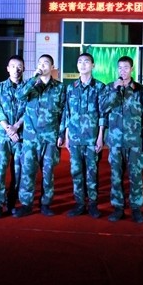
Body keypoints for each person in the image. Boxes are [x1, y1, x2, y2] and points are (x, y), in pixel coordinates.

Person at [13, 54, 66, 218]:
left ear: (52, 67)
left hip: (50, 137)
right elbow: (19, 96)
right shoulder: (31, 85)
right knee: (28, 170)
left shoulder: (59, 87)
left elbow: (64, 112)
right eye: (40, 63)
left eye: (46, 63)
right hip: (31, 137)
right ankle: (26, 204)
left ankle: (45, 203)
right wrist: (33, 79)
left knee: (48, 171)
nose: (42, 66)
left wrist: (61, 133)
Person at [100, 56, 143, 224]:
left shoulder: (140, 89)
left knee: (136, 176)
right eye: (120, 68)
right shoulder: (110, 87)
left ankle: (136, 208)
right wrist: (114, 90)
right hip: (115, 141)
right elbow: (103, 108)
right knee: (116, 176)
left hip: (135, 141)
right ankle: (118, 207)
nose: (123, 71)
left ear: (132, 69)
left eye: (126, 67)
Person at [61, 52, 106, 219]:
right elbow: (67, 112)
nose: (83, 64)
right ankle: (79, 204)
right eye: (80, 62)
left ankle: (93, 204)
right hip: (74, 138)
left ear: (93, 65)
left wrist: (100, 137)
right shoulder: (71, 88)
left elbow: (103, 114)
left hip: (92, 138)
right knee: (76, 172)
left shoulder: (100, 87)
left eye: (86, 62)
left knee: (92, 173)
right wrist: (66, 136)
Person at [0, 55, 26, 219]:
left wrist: (16, 127)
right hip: (3, 136)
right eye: (13, 66)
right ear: (8, 69)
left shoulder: (28, 88)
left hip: (21, 136)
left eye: (19, 66)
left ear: (23, 68)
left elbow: (29, 111)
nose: (16, 70)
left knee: (19, 171)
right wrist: (8, 129)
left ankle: (12, 202)